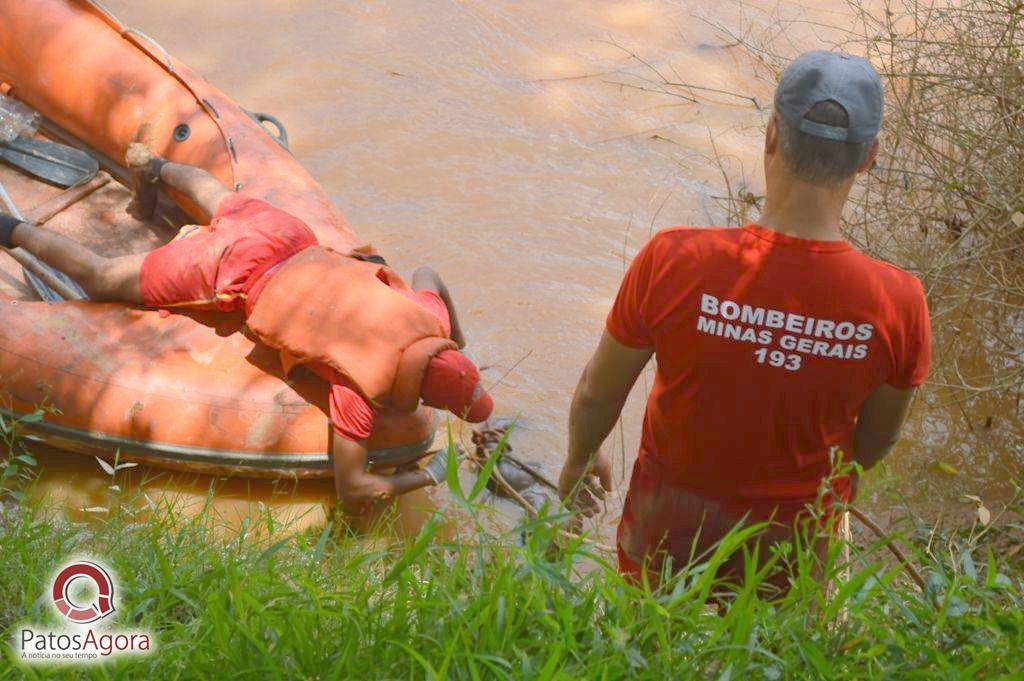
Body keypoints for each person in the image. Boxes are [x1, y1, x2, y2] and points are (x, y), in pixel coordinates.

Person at [558, 51, 931, 590]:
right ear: (868, 157)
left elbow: (597, 392)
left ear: (772, 134)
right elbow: (874, 443)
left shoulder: (673, 258)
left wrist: (578, 462)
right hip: (791, 554)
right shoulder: (899, 300)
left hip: (664, 539)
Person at [0, 149, 493, 514]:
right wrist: (424, 476)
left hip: (286, 235)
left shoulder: (429, 317)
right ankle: (11, 230)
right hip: (232, 273)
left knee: (219, 199)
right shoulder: (362, 390)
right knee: (101, 277)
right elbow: (355, 487)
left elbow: (428, 272)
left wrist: (460, 340)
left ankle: (153, 165)